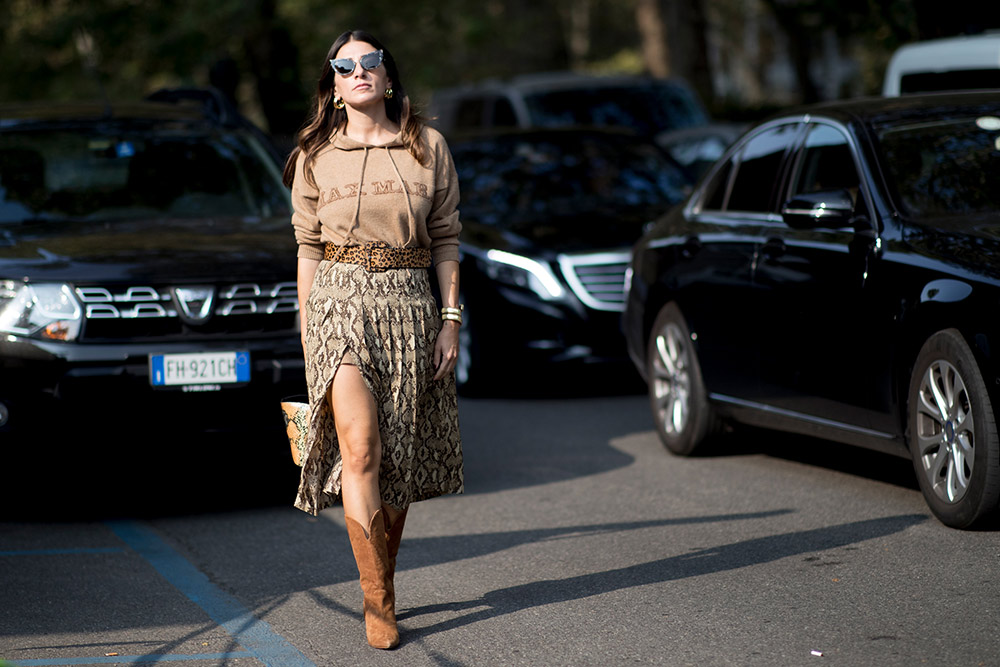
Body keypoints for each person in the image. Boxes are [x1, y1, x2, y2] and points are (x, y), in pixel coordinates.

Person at [282, 29, 464, 650]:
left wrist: (451, 319)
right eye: (344, 65)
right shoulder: (314, 152)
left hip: (410, 303)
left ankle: (381, 572)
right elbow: (307, 246)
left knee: (398, 459)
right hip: (339, 300)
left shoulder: (427, 147)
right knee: (359, 449)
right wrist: (308, 327)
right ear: (333, 85)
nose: (358, 72)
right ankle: (378, 601)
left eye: (369, 62)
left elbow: (445, 238)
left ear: (387, 75)